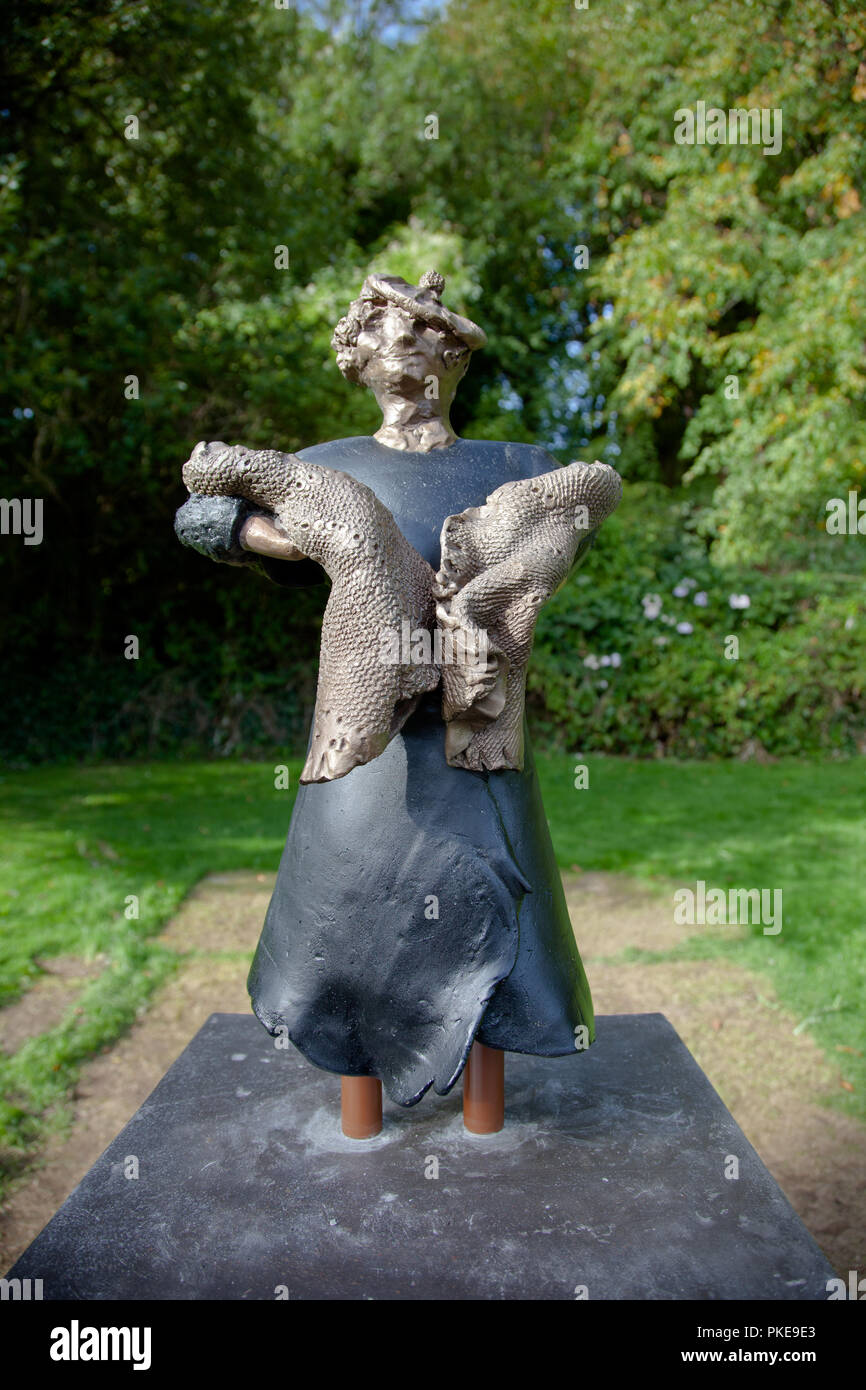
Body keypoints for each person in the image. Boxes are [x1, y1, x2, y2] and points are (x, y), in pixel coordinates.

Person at [175, 271, 602, 1111]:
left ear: (453, 351)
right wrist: (288, 543)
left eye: (414, 330)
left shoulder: (515, 465)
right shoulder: (322, 467)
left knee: (497, 909)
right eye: (373, 331)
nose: (391, 346)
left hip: (478, 731)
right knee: (353, 911)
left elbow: (576, 518)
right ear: (354, 357)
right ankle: (356, 1084)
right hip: (366, 744)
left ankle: (488, 1086)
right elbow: (196, 513)